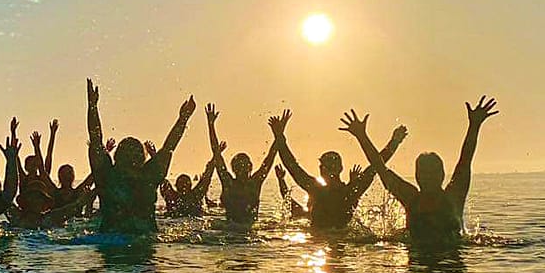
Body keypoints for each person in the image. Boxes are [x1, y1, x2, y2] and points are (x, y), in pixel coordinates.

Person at [339, 97, 499, 246]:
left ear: (442, 175)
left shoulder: (454, 196)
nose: (428, 177)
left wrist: (475, 126)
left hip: (449, 270)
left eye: (433, 172)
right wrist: (362, 136)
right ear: (417, 176)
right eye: (424, 173)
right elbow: (380, 168)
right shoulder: (410, 197)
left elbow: (465, 160)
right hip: (418, 270)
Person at [87, 78, 196, 233]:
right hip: (127, 243)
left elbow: (168, 148)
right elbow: (95, 141)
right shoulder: (111, 175)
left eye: (134, 153)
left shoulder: (143, 176)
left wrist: (183, 119)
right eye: (128, 153)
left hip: (119, 243)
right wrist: (92, 107)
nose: (131, 157)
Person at [269, 109, 408, 231]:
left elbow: (291, 165)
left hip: (319, 241)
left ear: (321, 170)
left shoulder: (318, 191)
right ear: (341, 168)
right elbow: (377, 166)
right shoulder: (351, 191)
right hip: (343, 244)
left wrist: (279, 136)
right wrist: (394, 142)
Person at [205, 103, 280, 226]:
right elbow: (216, 154)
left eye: (244, 164)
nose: (242, 167)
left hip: (241, 230)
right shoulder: (229, 181)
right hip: (233, 230)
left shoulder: (254, 182)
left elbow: (270, 158)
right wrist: (211, 125)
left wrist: (278, 135)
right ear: (234, 168)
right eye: (240, 165)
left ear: (250, 167)